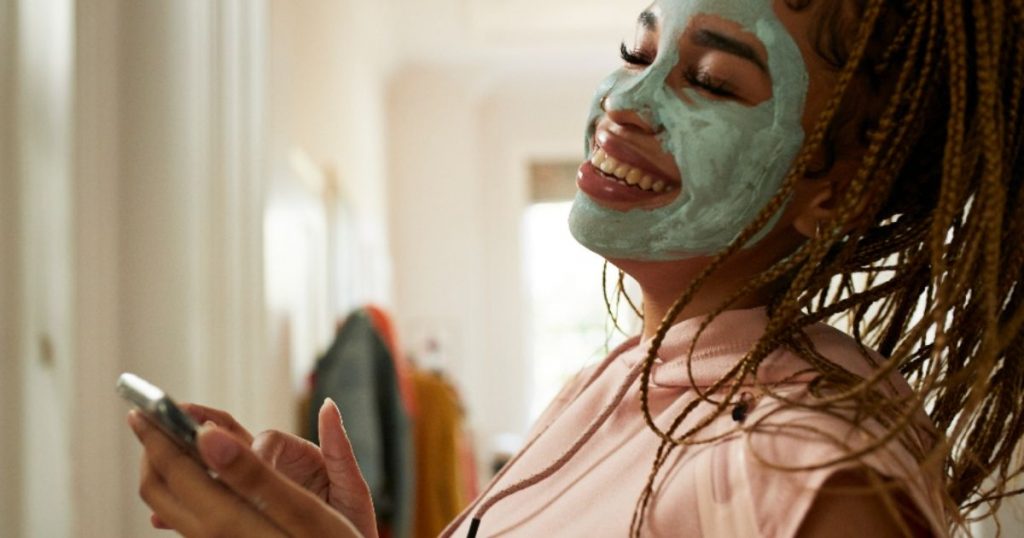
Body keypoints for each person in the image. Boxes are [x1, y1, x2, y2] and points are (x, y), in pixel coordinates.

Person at [128, 0, 1024, 536]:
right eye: (638, 51)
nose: (628, 98)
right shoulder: (606, 387)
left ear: (839, 187)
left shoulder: (808, 476)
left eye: (712, 81)